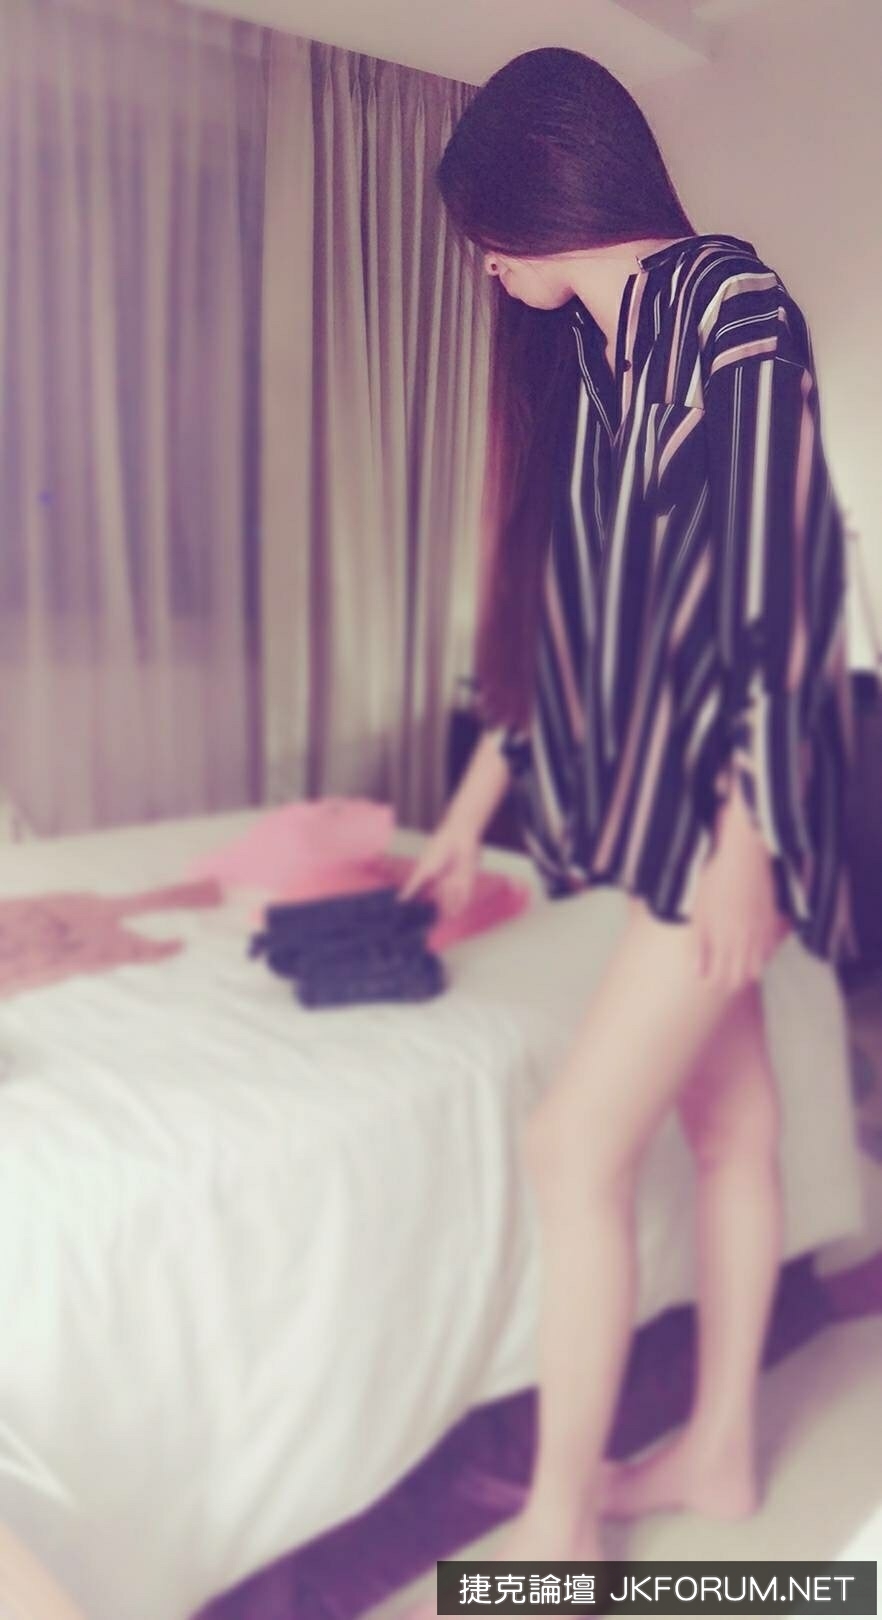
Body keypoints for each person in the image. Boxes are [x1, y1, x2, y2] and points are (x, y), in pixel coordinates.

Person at [401, 46, 853, 1567]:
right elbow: (569, 631)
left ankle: (555, 1529)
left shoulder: (727, 304)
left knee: (567, 1147)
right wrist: (471, 802)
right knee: (729, 1126)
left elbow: (782, 587)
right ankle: (717, 1458)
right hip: (666, 824)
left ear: (540, 192)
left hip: (728, 820)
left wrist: (747, 845)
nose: (481, 263)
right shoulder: (595, 360)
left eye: (482, 229)